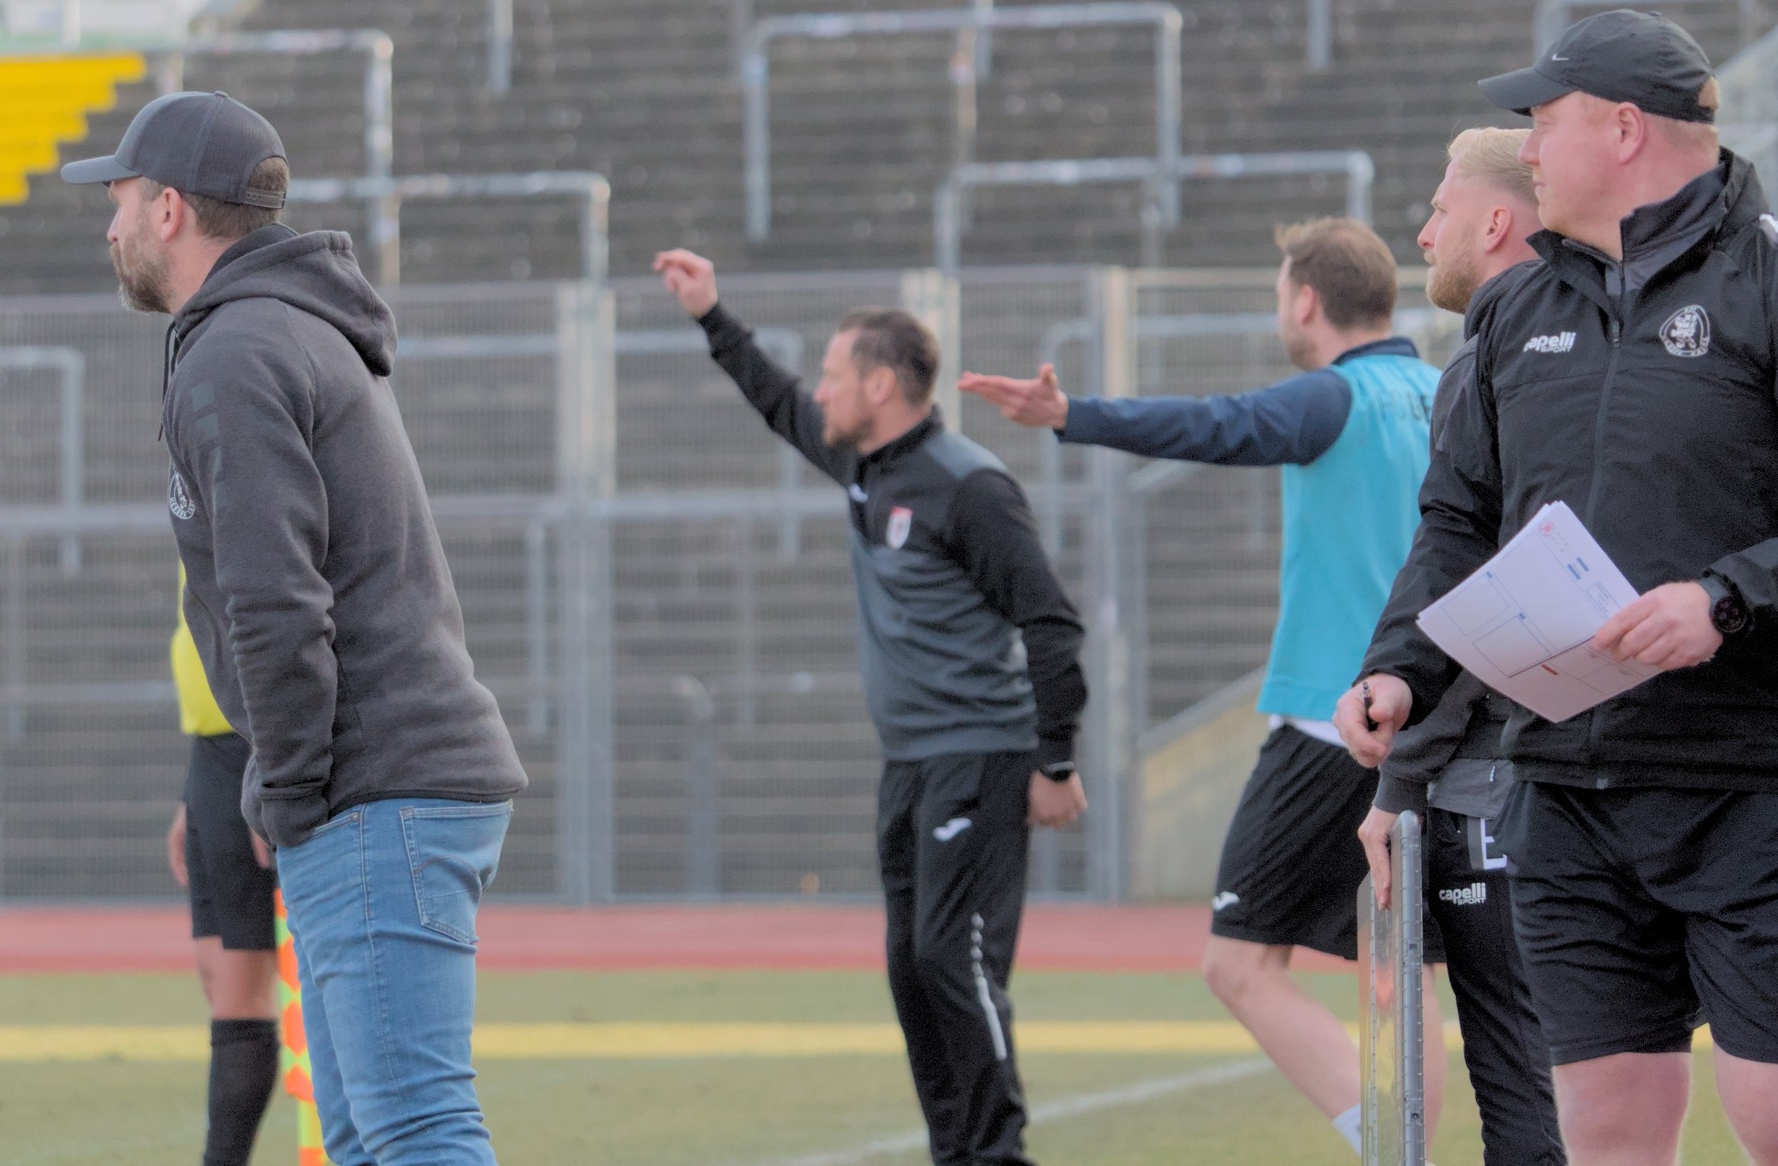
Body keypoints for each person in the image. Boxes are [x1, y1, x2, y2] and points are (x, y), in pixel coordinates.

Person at [1336, 10, 1778, 1166]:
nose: (1531, 148)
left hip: (1759, 787)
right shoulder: (1514, 315)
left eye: (1545, 121)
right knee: (1606, 1133)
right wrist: (1401, 670)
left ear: (1623, 129)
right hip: (1565, 792)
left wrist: (1724, 599)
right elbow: (1458, 522)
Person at [64, 90, 528, 1166]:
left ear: (171, 209)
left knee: (414, 1128)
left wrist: (285, 786)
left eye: (121, 201)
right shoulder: (280, 329)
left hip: (374, 789)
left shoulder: (236, 352)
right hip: (379, 784)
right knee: (365, 1138)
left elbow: (277, 603)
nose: (111, 227)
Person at [957, 218, 1444, 1157]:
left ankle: (1389, 1148)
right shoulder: (1445, 392)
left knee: (1239, 962)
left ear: (1306, 299)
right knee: (1400, 964)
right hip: (1427, 724)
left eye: (1281, 292)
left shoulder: (1335, 395)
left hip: (1329, 721)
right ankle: (1409, 1144)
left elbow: (1218, 425)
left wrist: (1072, 414)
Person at [653, 247, 1088, 1166]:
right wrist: (710, 314)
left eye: (835, 373)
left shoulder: (970, 485)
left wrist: (1055, 760)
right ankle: (955, 1151)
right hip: (910, 764)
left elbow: (1050, 621)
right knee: (911, 967)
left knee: (952, 958)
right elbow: (779, 403)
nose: (820, 389)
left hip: (981, 755)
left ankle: (999, 1152)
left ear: (881, 385)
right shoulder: (864, 465)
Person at [1345, 128, 1566, 1166]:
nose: (1425, 233)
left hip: (1508, 784)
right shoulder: (1581, 343)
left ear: (1497, 220)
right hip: (1577, 771)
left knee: (1530, 1089)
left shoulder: (1496, 361)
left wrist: (1402, 782)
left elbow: (1490, 589)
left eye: (1440, 209)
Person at [165, 566, 280, 1166]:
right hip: (213, 752)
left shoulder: (243, 502)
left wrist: (274, 770)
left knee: (243, 986)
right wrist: (194, 792)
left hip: (257, 746)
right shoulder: (190, 509)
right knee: (219, 977)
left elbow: (276, 621)